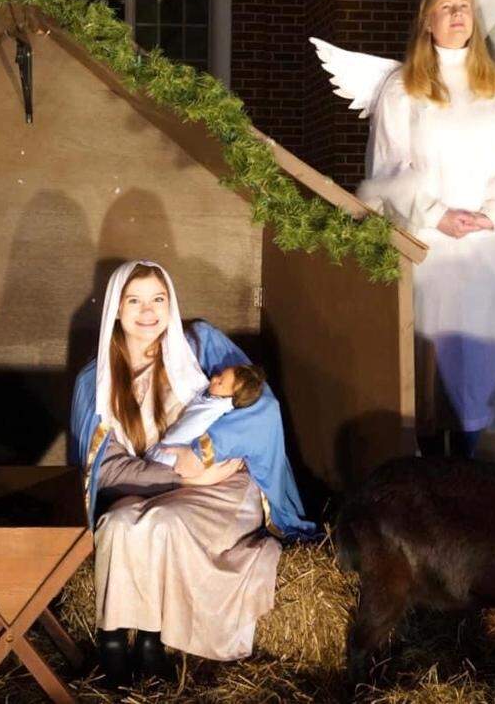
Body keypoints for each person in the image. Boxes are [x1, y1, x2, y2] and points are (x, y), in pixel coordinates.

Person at [69, 260, 314, 686]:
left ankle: (152, 641)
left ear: (171, 303)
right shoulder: (97, 381)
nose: (149, 312)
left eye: (158, 300)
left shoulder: (200, 343)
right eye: (135, 301)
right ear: (116, 308)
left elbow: (260, 405)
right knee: (118, 524)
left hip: (222, 485)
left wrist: (206, 454)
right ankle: (110, 643)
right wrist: (183, 478)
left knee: (163, 524)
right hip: (157, 485)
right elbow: (105, 472)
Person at [357, 0, 495, 458]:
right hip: (430, 245)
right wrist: (437, 215)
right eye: (447, 6)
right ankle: (425, 474)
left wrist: (494, 213)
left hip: (488, 244)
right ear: (427, 20)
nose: (458, 14)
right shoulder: (403, 89)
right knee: (429, 362)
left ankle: (467, 469)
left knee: (479, 362)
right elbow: (387, 168)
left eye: (465, 6)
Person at [144, 364, 266, 468]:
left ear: (232, 397)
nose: (214, 379)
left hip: (172, 454)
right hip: (166, 446)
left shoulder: (218, 409)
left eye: (220, 382)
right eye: (219, 375)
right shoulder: (212, 396)